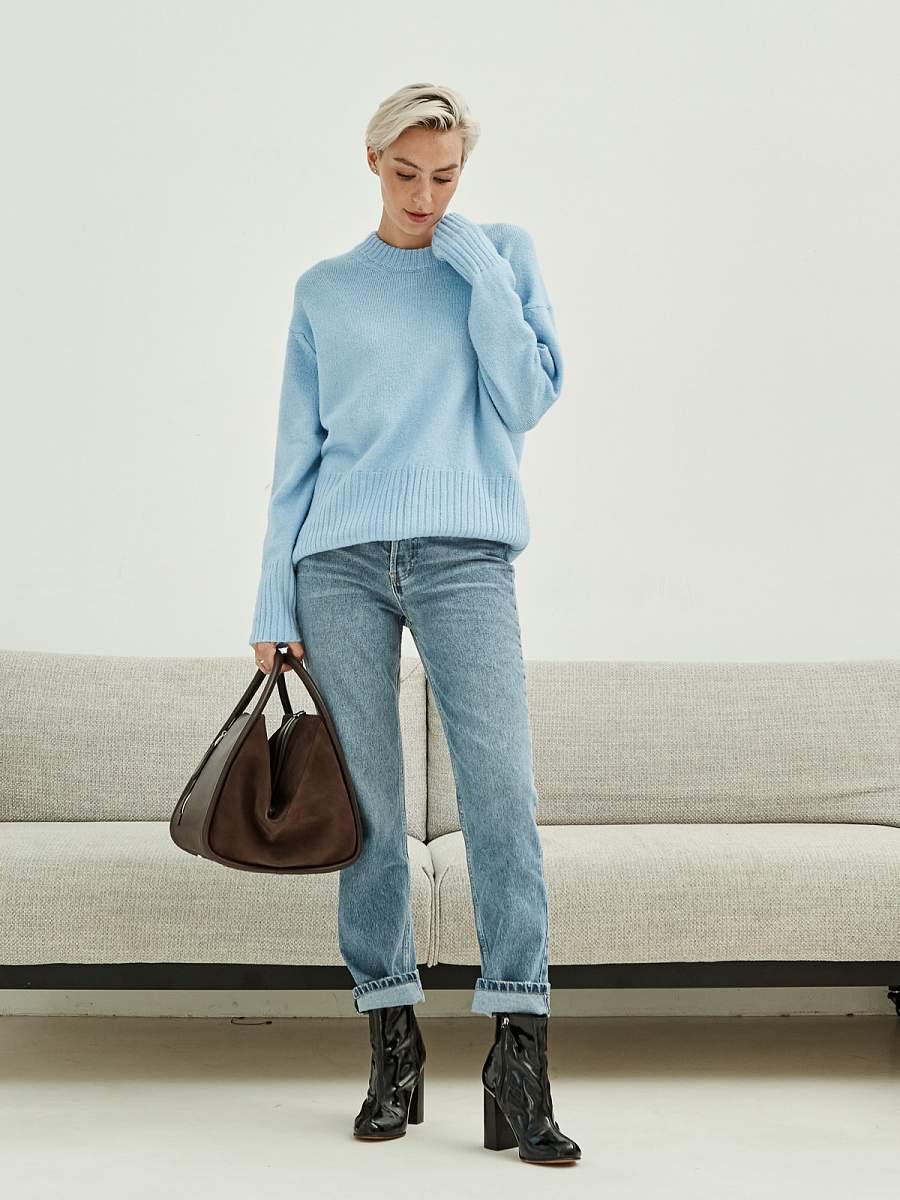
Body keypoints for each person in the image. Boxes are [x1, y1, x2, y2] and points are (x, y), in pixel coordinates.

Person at [249, 81, 581, 1165]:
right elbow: (297, 457)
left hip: (465, 555)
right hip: (337, 565)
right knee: (370, 811)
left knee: (502, 796)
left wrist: (477, 265)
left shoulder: (498, 255)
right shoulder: (325, 291)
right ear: (373, 162)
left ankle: (520, 1054)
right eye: (406, 174)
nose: (426, 195)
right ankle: (391, 1042)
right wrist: (271, 598)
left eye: (445, 176)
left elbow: (527, 399)